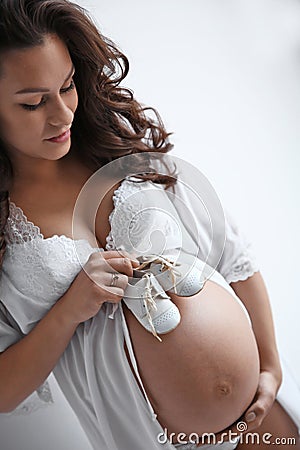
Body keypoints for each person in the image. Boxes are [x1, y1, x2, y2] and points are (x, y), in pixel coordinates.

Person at [0, 1, 299, 449]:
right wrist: (67, 311)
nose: (62, 114)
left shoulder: (116, 150)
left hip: (263, 419)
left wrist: (271, 367)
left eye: (67, 86)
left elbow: (235, 256)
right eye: (34, 103)